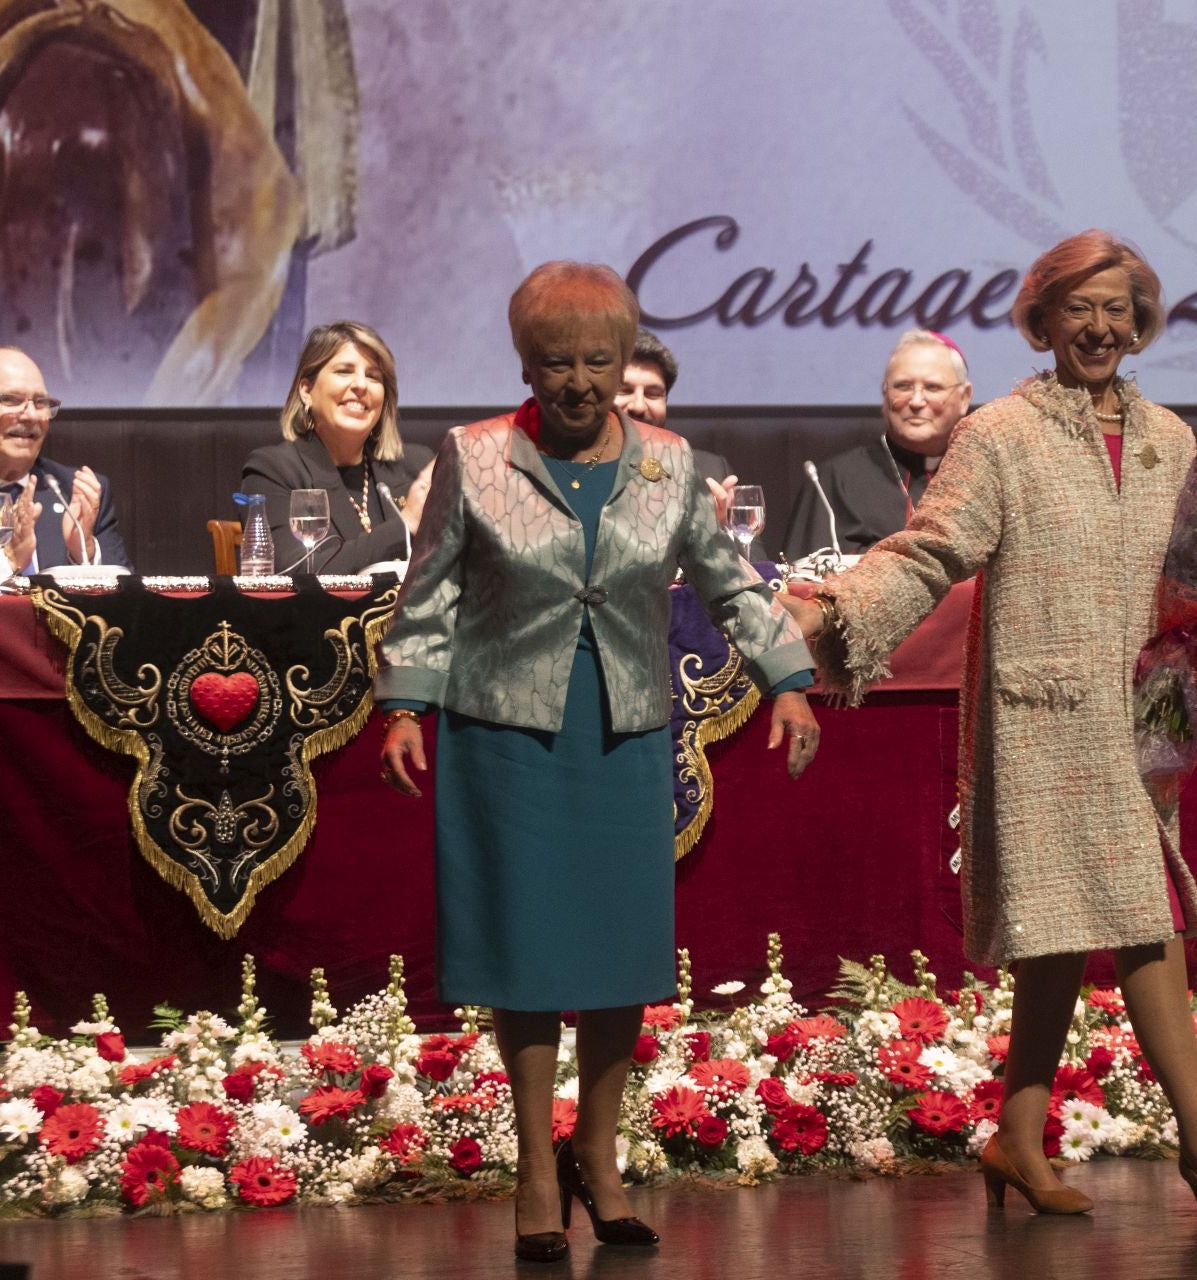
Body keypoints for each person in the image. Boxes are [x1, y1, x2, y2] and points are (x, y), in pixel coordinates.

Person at [782, 231, 1197, 1219]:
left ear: (1141, 323)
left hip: (1152, 704)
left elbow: (1180, 579)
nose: (1100, 324)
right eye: (1079, 306)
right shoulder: (1000, 433)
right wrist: (841, 612)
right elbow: (933, 547)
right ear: (1042, 319)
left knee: (1058, 929)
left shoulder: (1176, 440)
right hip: (1047, 711)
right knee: (1145, 910)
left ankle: (1016, 1131)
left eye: (1119, 307)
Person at [375, 261, 819, 1261]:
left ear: (626, 362)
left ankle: (599, 1154)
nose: (577, 380)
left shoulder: (668, 461)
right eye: (555, 361)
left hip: (623, 726)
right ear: (524, 363)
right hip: (503, 730)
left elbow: (735, 585)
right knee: (526, 954)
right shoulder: (473, 454)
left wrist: (788, 678)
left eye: (597, 360)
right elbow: (430, 589)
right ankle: (537, 1169)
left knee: (622, 954)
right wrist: (404, 703)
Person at [240, 322, 434, 573]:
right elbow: (293, 571)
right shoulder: (273, 471)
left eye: (374, 376)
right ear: (307, 390)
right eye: (344, 371)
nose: (361, 385)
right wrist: (403, 526)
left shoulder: (416, 468)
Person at [784, 329, 972, 556]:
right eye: (902, 386)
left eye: (933, 387)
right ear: (884, 393)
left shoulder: (980, 478)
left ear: (964, 398)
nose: (916, 401)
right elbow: (803, 578)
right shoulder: (835, 480)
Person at [0, 347, 130, 572]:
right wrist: (7, 565)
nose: (32, 415)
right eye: (10, 400)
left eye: (41, 402)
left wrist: (83, 553)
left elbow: (128, 600)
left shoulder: (76, 493)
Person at [616, 328, 737, 513]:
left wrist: (720, 531)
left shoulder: (707, 470)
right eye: (624, 391)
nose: (639, 406)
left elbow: (746, 540)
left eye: (653, 394)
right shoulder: (575, 470)